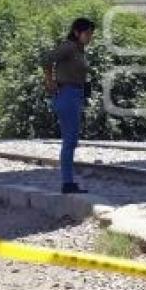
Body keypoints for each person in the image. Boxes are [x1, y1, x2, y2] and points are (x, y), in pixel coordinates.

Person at [42, 18, 95, 194]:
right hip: (67, 94)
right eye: (87, 33)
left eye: (91, 34)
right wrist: (49, 82)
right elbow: (47, 59)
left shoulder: (79, 50)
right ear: (76, 32)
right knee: (70, 141)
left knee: (70, 140)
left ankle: (68, 181)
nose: (89, 37)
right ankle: (67, 183)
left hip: (75, 95)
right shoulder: (69, 47)